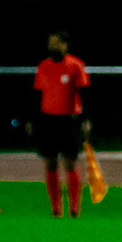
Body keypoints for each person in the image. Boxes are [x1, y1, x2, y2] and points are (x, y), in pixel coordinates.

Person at [31, 31, 89, 218]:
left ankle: (74, 208)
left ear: (65, 45)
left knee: (70, 163)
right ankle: (55, 209)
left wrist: (84, 120)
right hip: (48, 120)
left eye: (56, 43)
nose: (52, 47)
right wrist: (33, 120)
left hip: (69, 119)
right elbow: (37, 94)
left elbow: (83, 93)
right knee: (50, 162)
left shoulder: (75, 65)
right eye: (50, 43)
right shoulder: (44, 66)